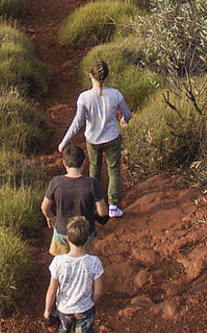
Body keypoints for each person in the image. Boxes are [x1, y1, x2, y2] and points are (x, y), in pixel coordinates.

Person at [58, 59, 133, 218]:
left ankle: (93, 203)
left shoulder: (84, 97)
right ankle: (113, 206)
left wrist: (64, 142)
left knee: (95, 168)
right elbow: (128, 114)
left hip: (93, 139)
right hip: (112, 137)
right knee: (114, 171)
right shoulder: (115, 94)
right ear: (106, 76)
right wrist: (123, 121)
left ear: (91, 75)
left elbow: (77, 123)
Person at [42, 144, 108, 255]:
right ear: (84, 163)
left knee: (61, 265)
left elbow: (44, 207)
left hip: (62, 232)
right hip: (85, 235)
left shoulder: (56, 182)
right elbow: (102, 212)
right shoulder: (92, 183)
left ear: (64, 163)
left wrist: (50, 217)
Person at [44, 215, 105, 332]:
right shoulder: (94, 262)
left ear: (67, 239)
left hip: (64, 308)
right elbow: (98, 291)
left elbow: (52, 290)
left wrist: (47, 310)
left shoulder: (58, 261)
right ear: (88, 239)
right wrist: (92, 302)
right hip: (85, 309)